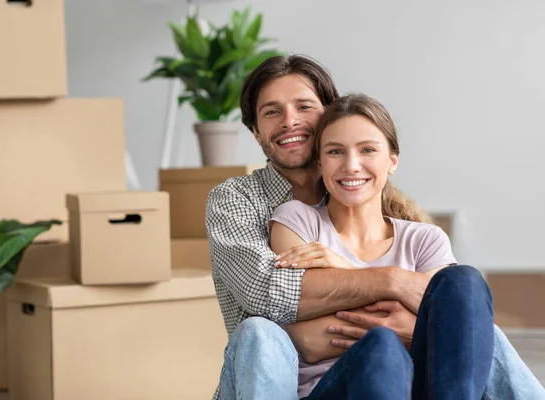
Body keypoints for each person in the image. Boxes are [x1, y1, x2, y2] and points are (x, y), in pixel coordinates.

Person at [205, 54, 545, 400]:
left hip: (398, 375)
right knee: (263, 332)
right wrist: (394, 282)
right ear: (256, 132)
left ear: (327, 114)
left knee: (478, 323)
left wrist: (416, 325)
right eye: (272, 111)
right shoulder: (245, 202)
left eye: (304, 106)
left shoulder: (394, 214)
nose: (290, 121)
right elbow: (265, 292)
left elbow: (456, 313)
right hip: (281, 377)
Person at [268, 93, 494, 398]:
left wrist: (342, 270)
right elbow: (302, 326)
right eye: (335, 152)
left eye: (368, 150)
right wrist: (407, 324)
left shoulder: (425, 239)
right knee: (382, 346)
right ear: (320, 163)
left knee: (465, 281)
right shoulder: (296, 221)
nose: (351, 165)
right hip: (330, 389)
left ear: (392, 161)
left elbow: (456, 324)